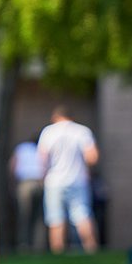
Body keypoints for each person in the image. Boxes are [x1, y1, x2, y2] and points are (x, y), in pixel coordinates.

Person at [37, 105, 100, 254]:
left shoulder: (48, 132)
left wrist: (42, 177)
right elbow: (93, 157)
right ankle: (91, 250)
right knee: (82, 216)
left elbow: (42, 159)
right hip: (78, 180)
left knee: (55, 219)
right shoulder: (82, 131)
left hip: (54, 182)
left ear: (55, 118)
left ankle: (58, 254)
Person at [9, 135, 45, 252]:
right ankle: (39, 246)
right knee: (39, 216)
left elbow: (12, 166)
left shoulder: (22, 148)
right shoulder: (42, 148)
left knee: (24, 215)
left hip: (25, 184)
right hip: (40, 183)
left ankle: (24, 245)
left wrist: (13, 184)